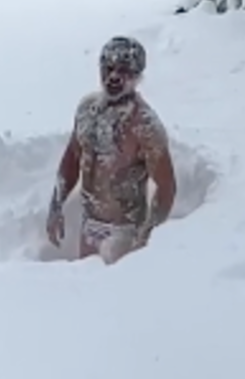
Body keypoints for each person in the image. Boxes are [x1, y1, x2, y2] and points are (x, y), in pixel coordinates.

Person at [45, 35, 177, 263]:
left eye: (123, 70)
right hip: (90, 225)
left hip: (124, 232)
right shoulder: (87, 110)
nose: (113, 76)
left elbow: (167, 186)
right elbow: (72, 158)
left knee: (109, 293)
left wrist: (148, 233)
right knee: (84, 289)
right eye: (108, 68)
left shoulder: (145, 125)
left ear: (137, 76)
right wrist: (56, 205)